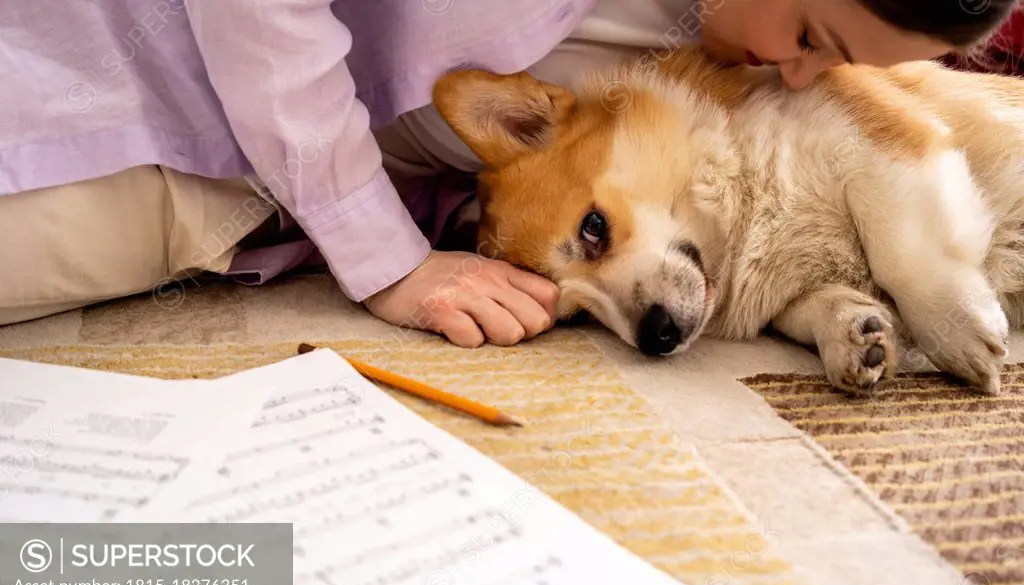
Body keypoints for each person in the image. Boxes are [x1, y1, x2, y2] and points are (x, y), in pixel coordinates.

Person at [0, 1, 1017, 347]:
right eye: (807, 34)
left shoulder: (701, 76)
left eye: (832, 64)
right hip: (143, 101)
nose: (800, 71)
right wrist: (381, 252)